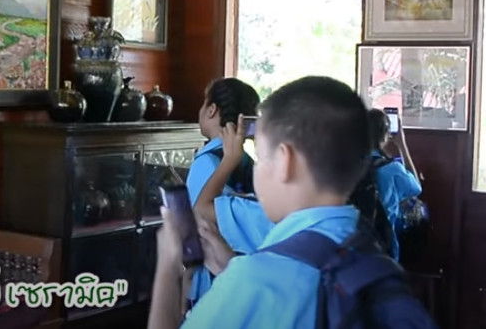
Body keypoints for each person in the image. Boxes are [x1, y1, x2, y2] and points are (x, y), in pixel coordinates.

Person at [148, 76, 428, 329]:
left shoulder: (254, 280)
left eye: (260, 157)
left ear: (285, 161)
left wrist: (168, 268)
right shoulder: (380, 263)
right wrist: (230, 267)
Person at [182, 78, 271, 309]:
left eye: (204, 103)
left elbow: (201, 217)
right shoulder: (245, 161)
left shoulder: (206, 162)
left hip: (217, 280)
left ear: (211, 109)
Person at [365, 108, 424, 261]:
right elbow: (416, 188)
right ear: (386, 135)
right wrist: (402, 145)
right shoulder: (392, 169)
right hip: (382, 248)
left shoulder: (347, 166)